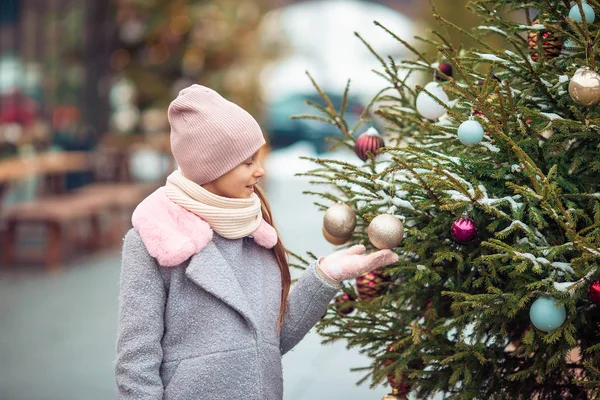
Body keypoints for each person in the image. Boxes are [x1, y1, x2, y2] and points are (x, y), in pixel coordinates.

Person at [115, 84, 399, 400]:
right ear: (212, 165)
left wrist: (326, 275)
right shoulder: (155, 240)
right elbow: (135, 362)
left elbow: (271, 342)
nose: (260, 171)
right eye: (248, 162)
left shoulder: (255, 232)